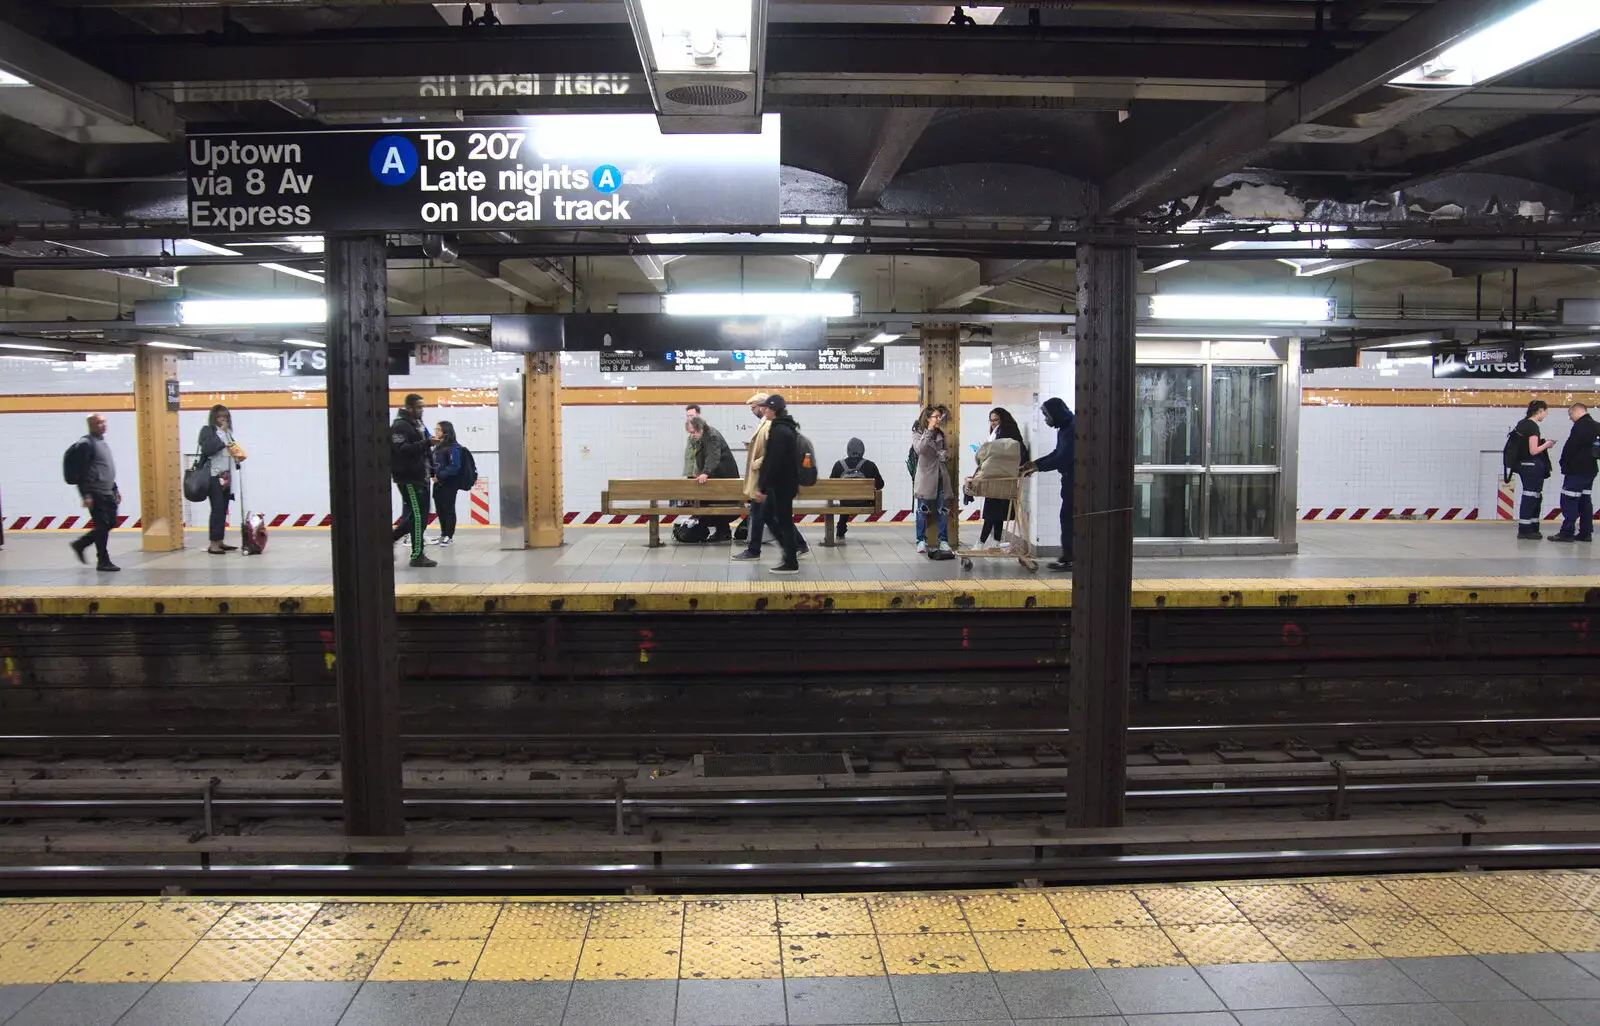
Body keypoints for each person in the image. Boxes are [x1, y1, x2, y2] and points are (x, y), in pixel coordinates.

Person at [733, 393, 808, 562]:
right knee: (770, 514)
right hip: (767, 478)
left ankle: (757, 550)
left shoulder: (771, 426)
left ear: (764, 407)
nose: (753, 411)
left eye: (754, 408)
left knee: (765, 514)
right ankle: (798, 545)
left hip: (767, 478)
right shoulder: (766, 424)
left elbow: (773, 452)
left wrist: (758, 463)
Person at [1024, 397, 1076, 572]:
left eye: (1047, 416)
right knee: (1067, 518)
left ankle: (1071, 559)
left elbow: (1063, 458)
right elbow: (1056, 452)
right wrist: (1035, 464)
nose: (1046, 420)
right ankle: (1069, 557)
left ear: (1056, 414)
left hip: (1076, 481)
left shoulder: (1072, 429)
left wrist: (1038, 466)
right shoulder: (1064, 428)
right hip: (1069, 480)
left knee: (1069, 518)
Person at [754, 394, 802, 574]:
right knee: (770, 515)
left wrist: (762, 488)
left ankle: (791, 560)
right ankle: (790, 551)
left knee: (784, 522)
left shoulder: (780, 431)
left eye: (766, 407)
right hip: (784, 483)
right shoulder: (783, 427)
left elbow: (773, 461)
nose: (763, 410)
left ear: (773, 409)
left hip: (782, 484)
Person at [68, 413, 120, 572]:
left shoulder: (101, 442)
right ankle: (103, 560)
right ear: (91, 425)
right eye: (98, 423)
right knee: (102, 525)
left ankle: (80, 544)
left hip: (106, 491)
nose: (103, 425)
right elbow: (82, 472)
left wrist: (114, 488)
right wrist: (86, 495)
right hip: (95, 492)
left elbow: (104, 468)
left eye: (104, 422)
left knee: (110, 523)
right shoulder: (86, 444)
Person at [391, 393, 438, 568]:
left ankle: (392, 538)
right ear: (409, 407)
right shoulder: (400, 426)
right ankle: (417, 554)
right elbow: (401, 450)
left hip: (422, 476)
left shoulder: (418, 424)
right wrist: (427, 443)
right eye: (419, 407)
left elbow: (425, 451)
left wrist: (432, 470)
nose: (422, 410)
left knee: (420, 516)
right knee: (418, 516)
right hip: (409, 477)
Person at [973, 408, 1028, 545]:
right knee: (996, 514)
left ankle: (981, 542)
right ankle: (996, 542)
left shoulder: (1007, 438)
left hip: (999, 479)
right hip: (998, 479)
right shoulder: (998, 435)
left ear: (1003, 420)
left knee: (991, 514)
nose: (993, 423)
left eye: (996, 420)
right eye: (991, 420)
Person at [198, 404, 245, 555]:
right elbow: (209, 449)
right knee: (217, 509)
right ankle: (213, 544)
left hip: (226, 476)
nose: (223, 420)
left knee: (223, 509)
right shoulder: (209, 431)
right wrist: (221, 434)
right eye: (220, 417)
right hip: (213, 476)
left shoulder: (228, 433)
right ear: (214, 418)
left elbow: (231, 449)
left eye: (225, 417)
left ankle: (220, 540)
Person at [1550, 402, 1598, 543]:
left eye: (1570, 414)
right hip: (1591, 469)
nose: (1570, 418)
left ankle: (1567, 533)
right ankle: (1585, 533)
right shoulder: (1597, 426)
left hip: (1576, 470)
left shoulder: (1580, 426)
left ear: (1577, 411)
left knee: (1569, 500)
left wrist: (1563, 462)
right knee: (1585, 501)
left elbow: (1571, 447)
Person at [687, 414, 739, 542]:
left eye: (693, 432)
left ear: (700, 428)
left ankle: (722, 532)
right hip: (716, 476)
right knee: (713, 502)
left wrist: (706, 472)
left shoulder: (712, 436)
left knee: (718, 502)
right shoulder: (700, 437)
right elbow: (698, 457)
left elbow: (713, 456)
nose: (691, 435)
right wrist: (698, 472)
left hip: (724, 476)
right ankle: (723, 531)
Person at [911, 405, 953, 554]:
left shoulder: (940, 434)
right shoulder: (918, 433)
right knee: (922, 510)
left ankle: (943, 541)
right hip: (926, 478)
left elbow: (946, 453)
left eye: (939, 417)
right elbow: (920, 449)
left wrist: (945, 455)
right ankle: (921, 541)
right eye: (936, 416)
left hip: (940, 476)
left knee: (942, 510)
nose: (938, 419)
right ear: (928, 418)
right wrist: (928, 431)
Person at [1513, 400, 1556, 540]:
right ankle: (1525, 530)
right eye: (1545, 412)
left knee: (1533, 495)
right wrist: (1547, 445)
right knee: (1530, 496)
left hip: (1523, 466)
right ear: (1540, 410)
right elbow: (1533, 450)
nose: (1545, 415)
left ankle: (1532, 527)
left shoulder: (1522, 423)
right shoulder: (1533, 427)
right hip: (1531, 466)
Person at [828, 438, 884, 539]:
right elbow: (880, 485)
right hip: (864, 503)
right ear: (863, 450)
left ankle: (841, 528)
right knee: (855, 498)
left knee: (847, 499)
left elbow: (831, 486)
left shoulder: (838, 465)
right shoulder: (870, 465)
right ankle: (841, 527)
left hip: (845, 502)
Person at [430, 420, 466, 547]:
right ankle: (443, 533)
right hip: (438, 484)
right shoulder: (438, 447)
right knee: (440, 509)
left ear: (446, 432)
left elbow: (455, 466)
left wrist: (439, 476)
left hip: (449, 484)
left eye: (438, 429)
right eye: (436, 429)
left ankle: (449, 536)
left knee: (448, 509)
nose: (436, 432)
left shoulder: (453, 448)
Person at [682, 404, 701, 479]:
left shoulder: (701, 432)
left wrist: (696, 471)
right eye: (688, 416)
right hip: (690, 472)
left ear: (698, 415)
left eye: (691, 416)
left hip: (697, 474)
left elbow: (699, 454)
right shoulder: (691, 433)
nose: (689, 418)